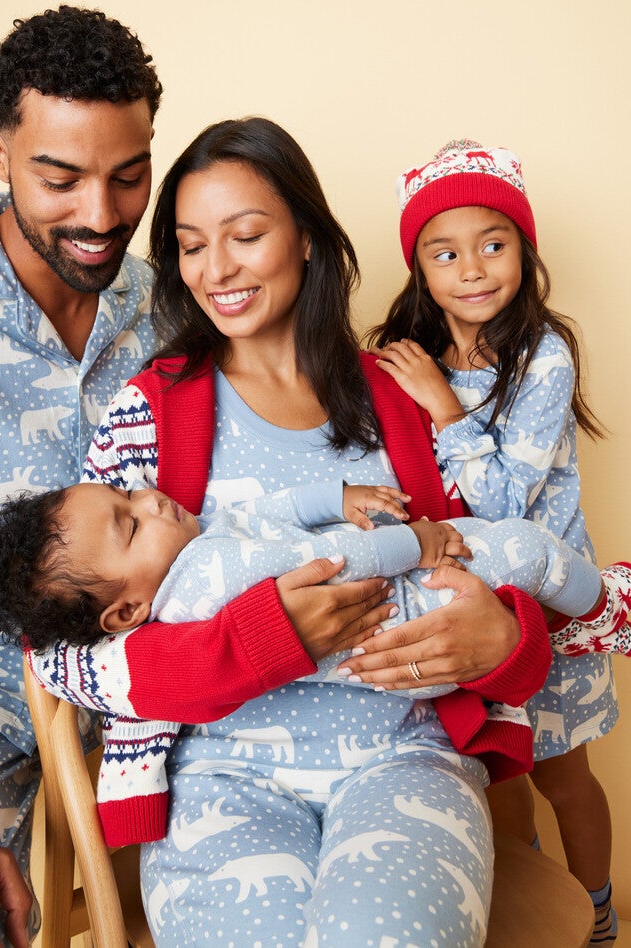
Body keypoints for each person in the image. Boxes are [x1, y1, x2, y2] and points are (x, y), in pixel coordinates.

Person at [0, 10, 404, 945]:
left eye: (129, 175)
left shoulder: (179, 300)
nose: (103, 216)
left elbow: (305, 444)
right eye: (60, 178)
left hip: (180, 706)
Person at [29, 116, 557, 945]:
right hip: (220, 777)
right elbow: (60, 645)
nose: (217, 269)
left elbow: (517, 557)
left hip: (407, 758)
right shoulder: (150, 414)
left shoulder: (408, 392)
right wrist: (254, 643)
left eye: (245, 235)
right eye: (192, 245)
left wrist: (507, 641)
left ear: (307, 238)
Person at [0, 477, 630, 848]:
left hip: (409, 662)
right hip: (406, 601)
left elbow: (258, 515)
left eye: (130, 493)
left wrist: (334, 495)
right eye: (131, 525)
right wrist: (416, 539)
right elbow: (342, 564)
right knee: (529, 549)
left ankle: (579, 620)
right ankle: (607, 610)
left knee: (523, 587)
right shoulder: (206, 575)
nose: (153, 500)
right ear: (125, 613)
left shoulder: (196, 550)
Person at [365, 138, 621, 943]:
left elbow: (505, 497)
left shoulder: (542, 356)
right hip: (474, 606)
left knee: (565, 774)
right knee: (499, 771)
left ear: (524, 250)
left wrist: (443, 406)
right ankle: (533, 908)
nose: (472, 269)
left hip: (553, 605)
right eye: (446, 253)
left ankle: (598, 910)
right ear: (421, 269)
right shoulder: (409, 356)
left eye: (494, 245)